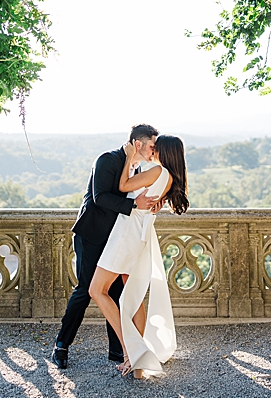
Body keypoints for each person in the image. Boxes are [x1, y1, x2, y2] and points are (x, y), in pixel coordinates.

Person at [51, 124, 160, 370]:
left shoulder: (141, 168)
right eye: (152, 146)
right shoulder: (107, 159)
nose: (154, 152)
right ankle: (61, 345)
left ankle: (118, 351)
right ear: (138, 144)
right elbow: (100, 196)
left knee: (118, 292)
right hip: (91, 235)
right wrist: (134, 206)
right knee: (86, 290)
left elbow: (139, 196)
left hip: (118, 238)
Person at [89, 134, 190, 378]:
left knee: (97, 290)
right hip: (137, 235)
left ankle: (132, 353)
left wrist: (127, 158)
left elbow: (123, 186)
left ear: (165, 152)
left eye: (158, 147)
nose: (154, 150)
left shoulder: (157, 172)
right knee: (131, 293)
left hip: (127, 234)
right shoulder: (168, 177)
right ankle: (136, 359)